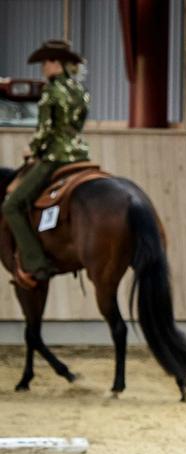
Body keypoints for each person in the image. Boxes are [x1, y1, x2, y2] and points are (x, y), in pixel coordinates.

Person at [2, 39, 90, 290]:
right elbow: (76, 125)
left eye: (46, 62)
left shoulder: (51, 91)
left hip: (55, 158)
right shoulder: (80, 91)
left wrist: (32, 149)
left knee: (12, 205)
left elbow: (46, 130)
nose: (43, 67)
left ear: (57, 63)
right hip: (81, 157)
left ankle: (36, 263)